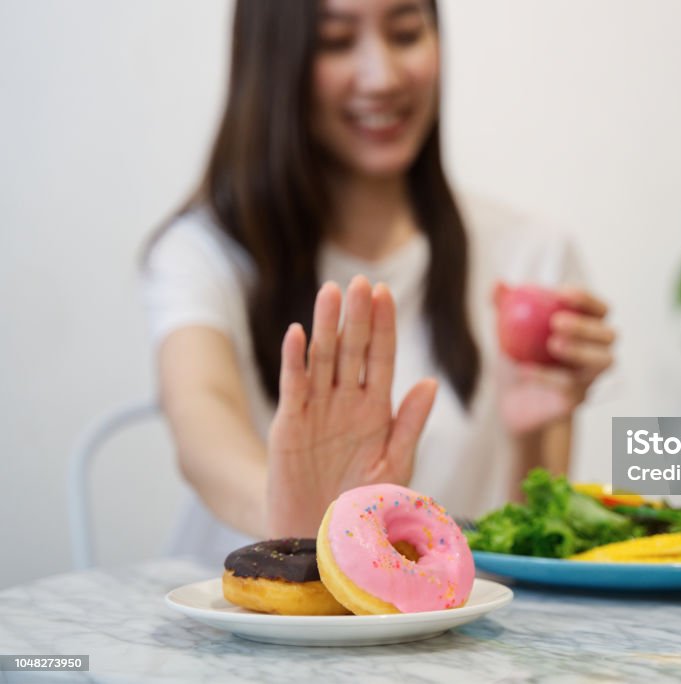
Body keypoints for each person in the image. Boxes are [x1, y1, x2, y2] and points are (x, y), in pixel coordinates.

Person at [140, 0, 616, 565]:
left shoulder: (531, 254)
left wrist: (533, 433)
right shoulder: (205, 252)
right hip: (245, 630)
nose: (383, 77)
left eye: (407, 33)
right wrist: (295, 516)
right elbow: (201, 419)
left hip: (433, 640)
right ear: (274, 61)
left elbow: (528, 558)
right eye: (337, 41)